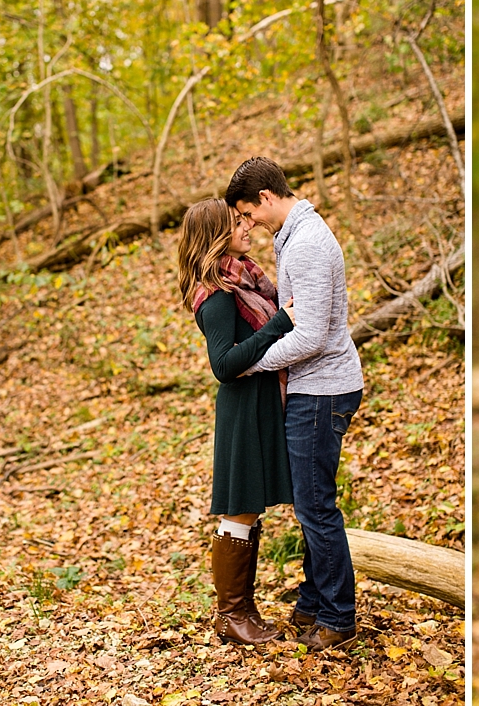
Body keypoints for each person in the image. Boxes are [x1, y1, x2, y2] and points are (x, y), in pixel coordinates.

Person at [225, 157, 364, 652]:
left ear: (265, 197)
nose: (250, 224)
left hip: (323, 388)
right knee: (310, 502)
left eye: (248, 213)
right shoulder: (295, 234)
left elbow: (311, 334)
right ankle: (311, 600)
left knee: (314, 506)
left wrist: (253, 363)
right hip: (314, 386)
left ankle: (337, 616)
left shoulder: (305, 244)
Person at [177, 198, 296, 645]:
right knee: (240, 508)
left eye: (246, 219)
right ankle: (230, 614)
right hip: (243, 406)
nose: (248, 227)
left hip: (259, 401)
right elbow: (224, 364)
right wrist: (280, 322)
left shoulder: (242, 280)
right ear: (216, 236)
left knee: (248, 508)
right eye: (238, 223)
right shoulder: (218, 294)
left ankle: (243, 610)